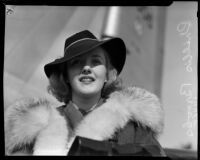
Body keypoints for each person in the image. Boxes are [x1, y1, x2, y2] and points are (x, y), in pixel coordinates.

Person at [5, 30, 166, 156]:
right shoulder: (35, 128)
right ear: (65, 76)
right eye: (77, 62)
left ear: (108, 75)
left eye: (96, 61)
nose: (87, 68)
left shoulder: (134, 129)